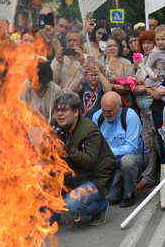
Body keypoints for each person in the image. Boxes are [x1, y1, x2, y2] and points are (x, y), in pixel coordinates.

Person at [53, 92, 116, 226]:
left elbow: (89, 162)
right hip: (74, 176)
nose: (59, 114)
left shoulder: (89, 130)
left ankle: (101, 206)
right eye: (57, 110)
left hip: (97, 178)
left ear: (75, 112)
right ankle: (56, 213)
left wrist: (67, 149)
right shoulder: (57, 126)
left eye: (64, 110)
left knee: (70, 205)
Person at [92, 92, 143, 208]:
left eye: (109, 111)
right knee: (111, 198)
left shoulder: (130, 116)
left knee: (127, 162)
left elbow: (132, 147)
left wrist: (108, 153)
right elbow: (94, 142)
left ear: (119, 108)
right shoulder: (97, 116)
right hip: (108, 160)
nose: (105, 114)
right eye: (103, 110)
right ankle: (116, 186)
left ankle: (129, 194)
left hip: (131, 157)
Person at [139, 26, 165, 136]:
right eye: (157, 40)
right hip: (155, 83)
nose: (160, 42)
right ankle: (164, 127)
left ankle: (164, 126)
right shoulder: (154, 53)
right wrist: (152, 75)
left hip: (164, 81)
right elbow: (146, 66)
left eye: (163, 39)